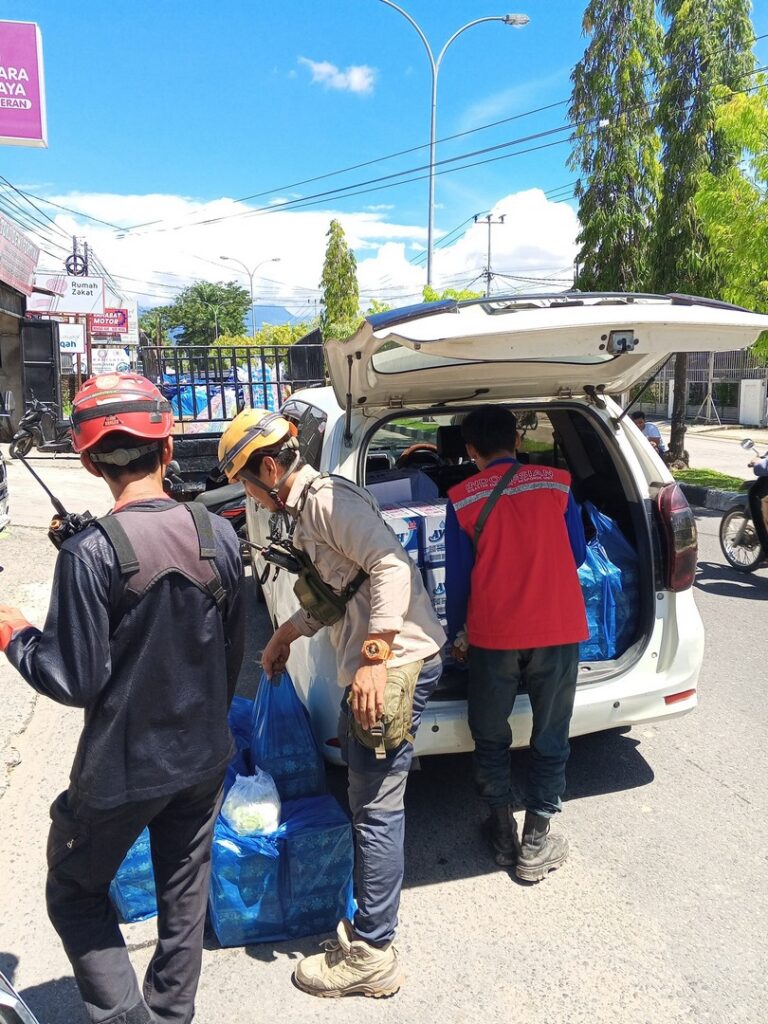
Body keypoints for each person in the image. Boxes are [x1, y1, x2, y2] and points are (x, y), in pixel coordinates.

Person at [0, 372, 244, 1024]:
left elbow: (72, 677)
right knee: (184, 894)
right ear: (168, 449)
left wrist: (16, 635)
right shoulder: (219, 534)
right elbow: (230, 653)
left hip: (122, 771)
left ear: (89, 464)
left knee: (74, 890)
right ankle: (169, 1015)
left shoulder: (89, 555)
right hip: (202, 758)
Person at [217, 408, 445, 999]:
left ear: (269, 470)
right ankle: (371, 934)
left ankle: (373, 951)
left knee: (375, 809)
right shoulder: (305, 510)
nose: (247, 495)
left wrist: (374, 656)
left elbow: (389, 564)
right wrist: (284, 634)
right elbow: (336, 591)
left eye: (245, 482)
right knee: (368, 799)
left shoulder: (325, 502)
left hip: (394, 663)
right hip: (383, 661)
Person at [444, 406, 588, 881]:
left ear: (470, 450)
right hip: (558, 628)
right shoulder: (558, 484)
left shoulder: (461, 498)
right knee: (552, 733)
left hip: (494, 634)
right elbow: (578, 553)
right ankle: (536, 841)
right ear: (518, 441)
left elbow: (458, 581)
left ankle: (502, 832)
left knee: (490, 734)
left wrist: (458, 635)